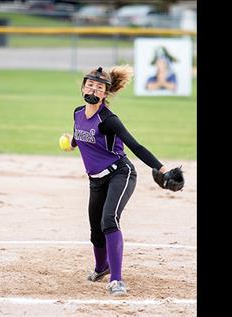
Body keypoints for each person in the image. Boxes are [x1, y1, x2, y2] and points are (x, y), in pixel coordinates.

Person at [62, 65, 181, 296]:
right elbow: (80, 133)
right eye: (90, 85)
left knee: (109, 220)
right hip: (95, 180)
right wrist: (72, 142)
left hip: (120, 173)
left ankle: (116, 280)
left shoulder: (109, 119)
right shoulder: (77, 112)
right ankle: (101, 267)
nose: (93, 89)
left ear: (105, 94)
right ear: (83, 87)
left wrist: (162, 169)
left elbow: (135, 146)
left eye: (99, 87)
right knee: (95, 231)